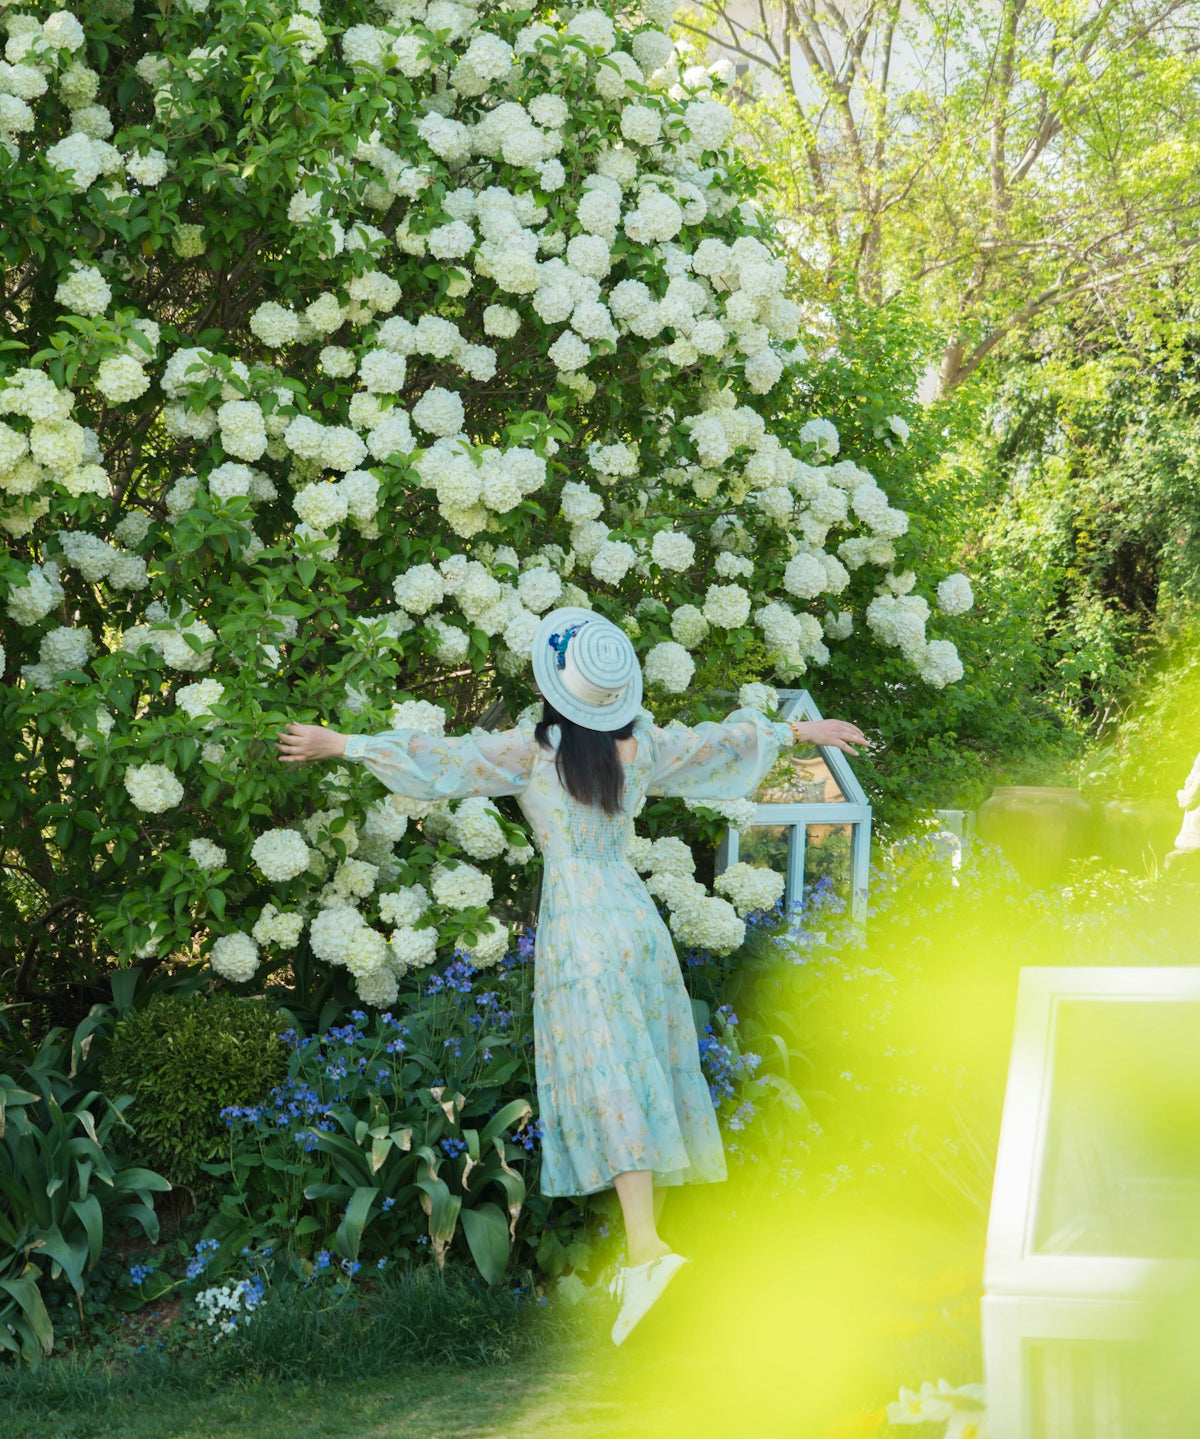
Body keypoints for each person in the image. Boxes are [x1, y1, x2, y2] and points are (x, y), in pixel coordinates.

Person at [277, 606, 866, 1345]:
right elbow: (723, 741)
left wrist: (344, 744)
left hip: (582, 925)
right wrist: (803, 730)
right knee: (633, 1066)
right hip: (634, 917)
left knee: (608, 1069)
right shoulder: (644, 747)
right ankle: (643, 1248)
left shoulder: (534, 752)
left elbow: (444, 757)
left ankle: (647, 1250)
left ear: (557, 690)